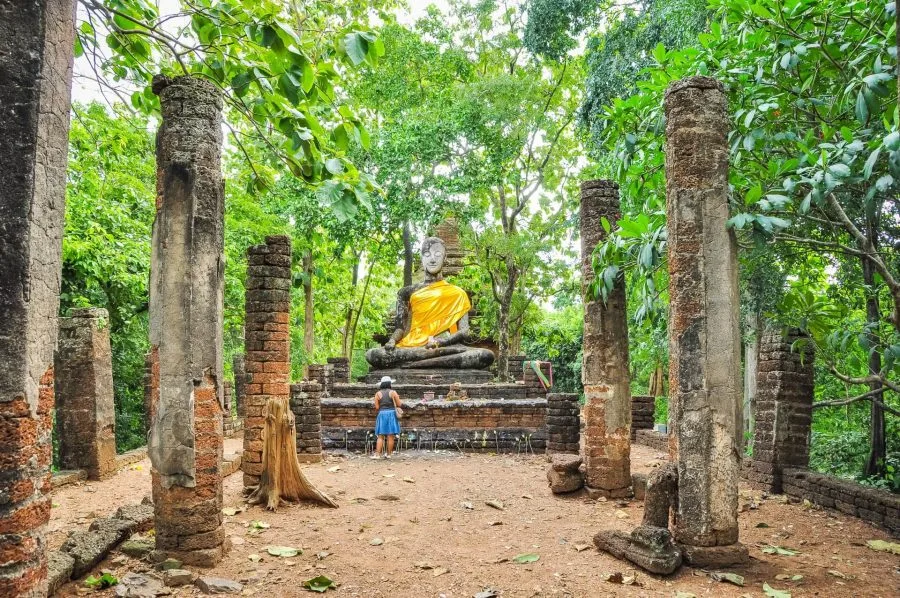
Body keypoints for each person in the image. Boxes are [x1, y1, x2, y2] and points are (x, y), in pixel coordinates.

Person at [372, 375, 401, 459]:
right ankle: (388, 454)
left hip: (382, 414)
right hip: (392, 414)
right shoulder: (393, 392)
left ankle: (377, 454)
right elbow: (399, 404)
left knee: (380, 436)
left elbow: (377, 407)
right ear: (389, 384)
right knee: (390, 435)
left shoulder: (378, 394)